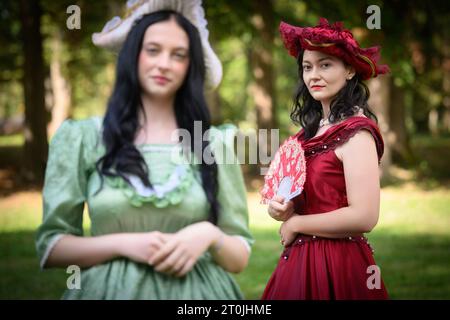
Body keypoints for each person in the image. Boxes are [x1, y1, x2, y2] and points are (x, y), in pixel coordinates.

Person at [35, 0, 253, 300]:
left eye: (178, 55)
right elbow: (52, 247)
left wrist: (209, 235)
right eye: (153, 50)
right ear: (132, 54)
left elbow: (239, 256)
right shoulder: (83, 138)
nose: (164, 63)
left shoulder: (213, 143)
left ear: (190, 67)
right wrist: (124, 244)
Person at [261, 18, 389, 300]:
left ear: (350, 71)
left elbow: (365, 216)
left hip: (338, 263)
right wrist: (283, 210)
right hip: (297, 263)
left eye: (325, 65)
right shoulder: (306, 135)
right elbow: (303, 199)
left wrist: (296, 225)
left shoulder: (357, 133)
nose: (313, 75)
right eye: (307, 67)